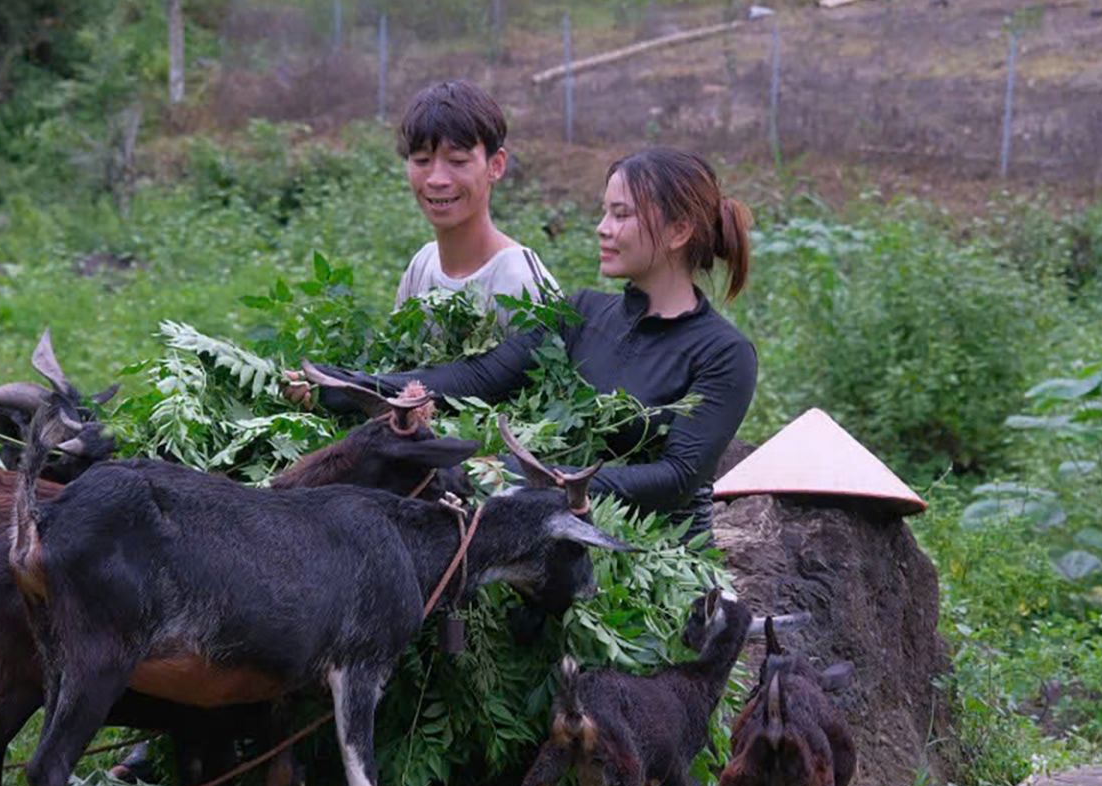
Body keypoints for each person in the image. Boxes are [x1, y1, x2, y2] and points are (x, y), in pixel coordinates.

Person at [288, 146, 756, 540]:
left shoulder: (722, 353)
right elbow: (479, 377)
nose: (602, 227)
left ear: (678, 232)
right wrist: (346, 387)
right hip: (551, 527)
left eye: (621, 214)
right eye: (604, 212)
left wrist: (540, 483)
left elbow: (675, 478)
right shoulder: (582, 313)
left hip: (651, 555)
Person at [390, 80, 558, 312]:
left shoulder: (522, 284)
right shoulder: (421, 266)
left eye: (458, 161)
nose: (437, 179)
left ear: (496, 165)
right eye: (422, 161)